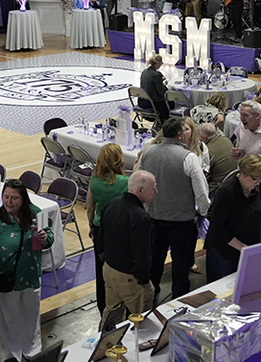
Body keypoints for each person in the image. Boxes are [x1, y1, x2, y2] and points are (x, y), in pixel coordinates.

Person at [138, 118, 210, 299]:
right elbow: (201, 192)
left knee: (155, 261)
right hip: (182, 222)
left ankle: (150, 297)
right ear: (179, 135)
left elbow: (138, 181)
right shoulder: (189, 158)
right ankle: (179, 300)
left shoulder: (148, 152)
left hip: (154, 218)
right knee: (181, 264)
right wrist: (203, 212)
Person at [0, 179, 54, 361]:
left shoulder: (36, 213)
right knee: (9, 319)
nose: (9, 202)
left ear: (23, 199)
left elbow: (49, 237)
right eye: (6, 197)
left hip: (30, 276)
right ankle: (11, 356)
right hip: (6, 279)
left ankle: (32, 351)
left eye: (14, 198)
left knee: (31, 316)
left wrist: (46, 237)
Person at [98, 170, 157, 324]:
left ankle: (106, 345)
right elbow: (142, 253)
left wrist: (106, 259)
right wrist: (143, 279)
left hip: (110, 270)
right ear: (141, 191)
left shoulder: (112, 204)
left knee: (111, 316)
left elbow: (100, 237)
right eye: (153, 188)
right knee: (141, 320)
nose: (156, 192)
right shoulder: (140, 216)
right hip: (129, 278)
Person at [205, 154, 261, 281]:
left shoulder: (255, 187)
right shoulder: (227, 191)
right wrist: (241, 247)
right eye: (255, 180)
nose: (257, 183)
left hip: (248, 248)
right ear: (244, 174)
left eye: (259, 181)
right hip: (225, 251)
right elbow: (217, 227)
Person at [84, 143, 130, 314]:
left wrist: (91, 227)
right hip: (120, 230)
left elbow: (89, 209)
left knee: (101, 269)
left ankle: (103, 304)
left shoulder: (94, 180)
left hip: (100, 228)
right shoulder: (126, 182)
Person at [198, 123, 237, 194]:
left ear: (204, 138)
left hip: (217, 187)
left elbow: (204, 176)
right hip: (233, 182)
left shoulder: (207, 151)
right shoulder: (227, 140)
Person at [140, 54, 172, 123]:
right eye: (161, 63)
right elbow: (162, 92)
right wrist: (164, 85)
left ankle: (160, 123)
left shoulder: (144, 72)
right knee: (171, 101)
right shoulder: (156, 75)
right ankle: (166, 123)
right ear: (158, 63)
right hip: (152, 103)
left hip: (142, 101)